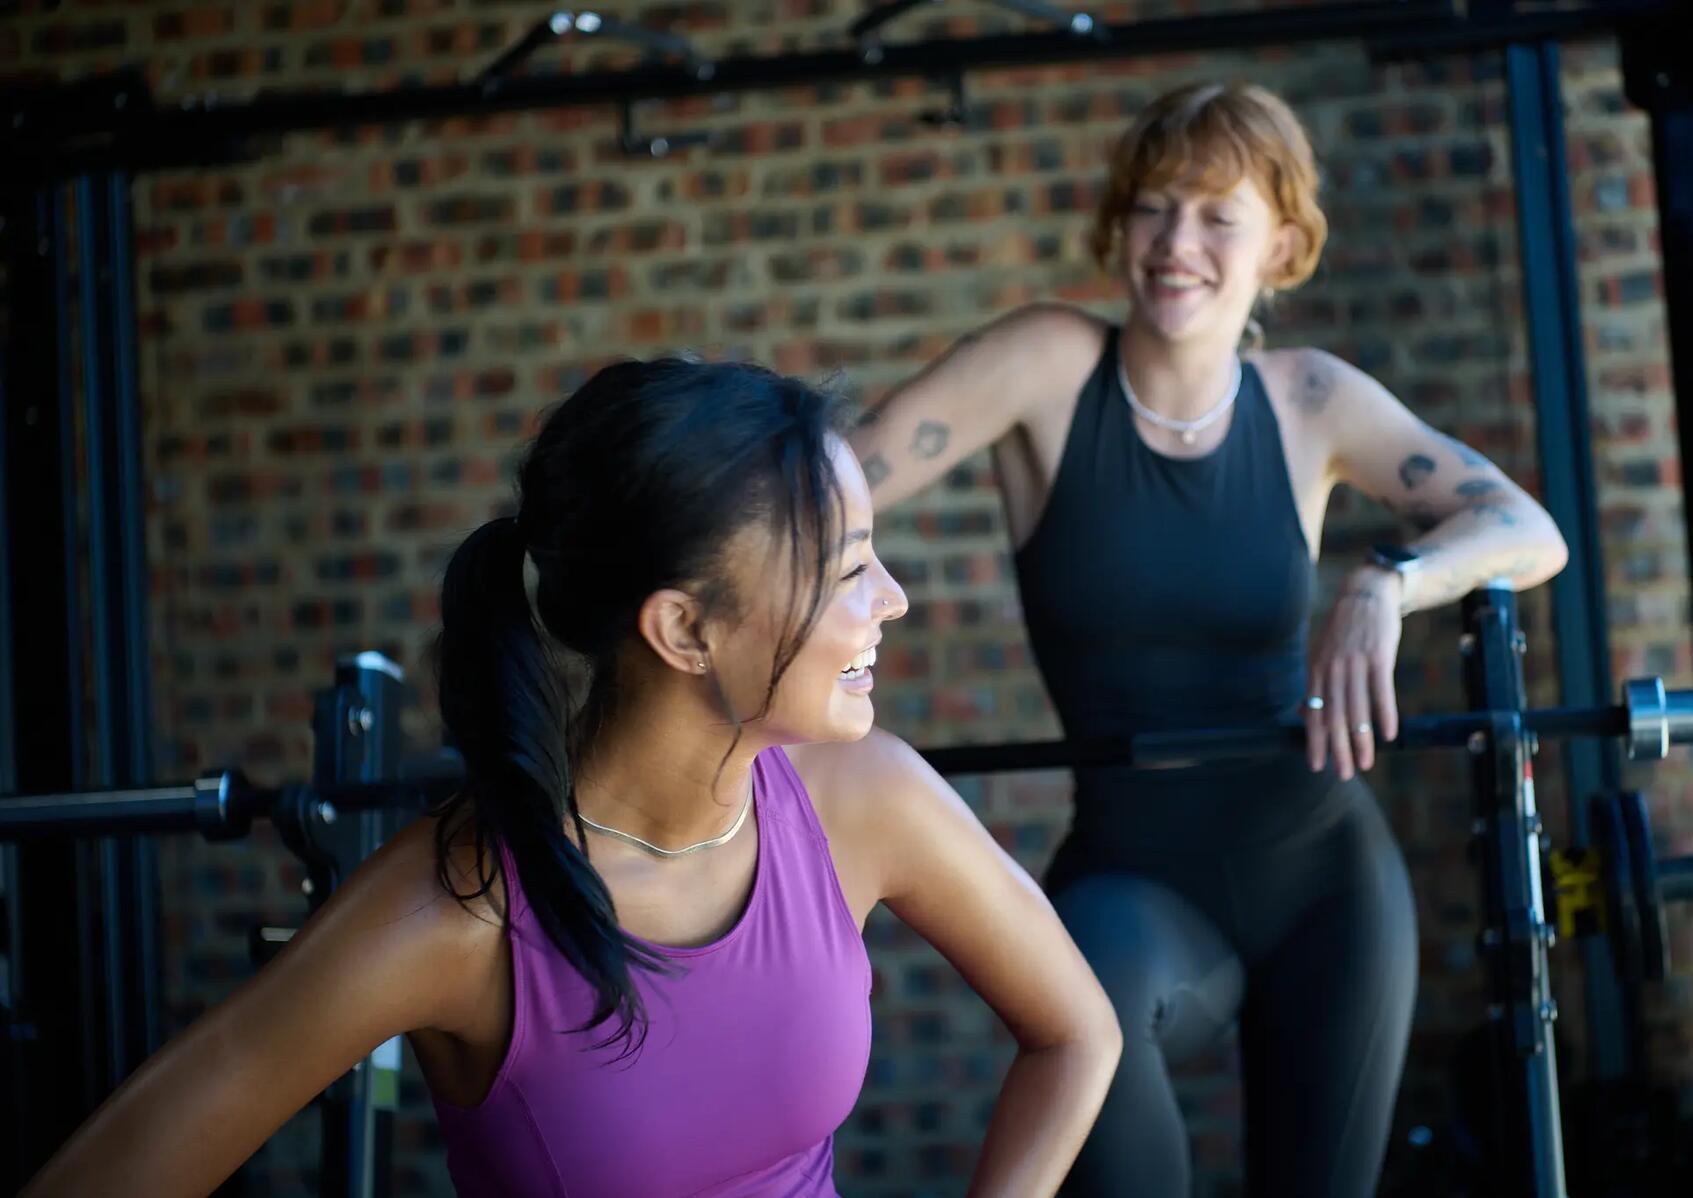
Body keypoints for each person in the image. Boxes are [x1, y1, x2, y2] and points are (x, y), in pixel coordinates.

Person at [23, 358, 1122, 1197]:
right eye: (846, 572)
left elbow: (1079, 1034)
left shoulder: (863, 798)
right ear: (684, 629)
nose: (893, 598)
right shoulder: (458, 910)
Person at [849, 81, 1569, 1197]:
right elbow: (829, 483)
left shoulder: (1312, 398)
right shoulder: (1046, 367)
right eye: (1152, 207)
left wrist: (1389, 581)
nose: (1175, 243)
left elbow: (1528, 530)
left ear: (1280, 244)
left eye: (1216, 215)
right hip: (1130, 874)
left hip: (1325, 878)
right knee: (1082, 1019)